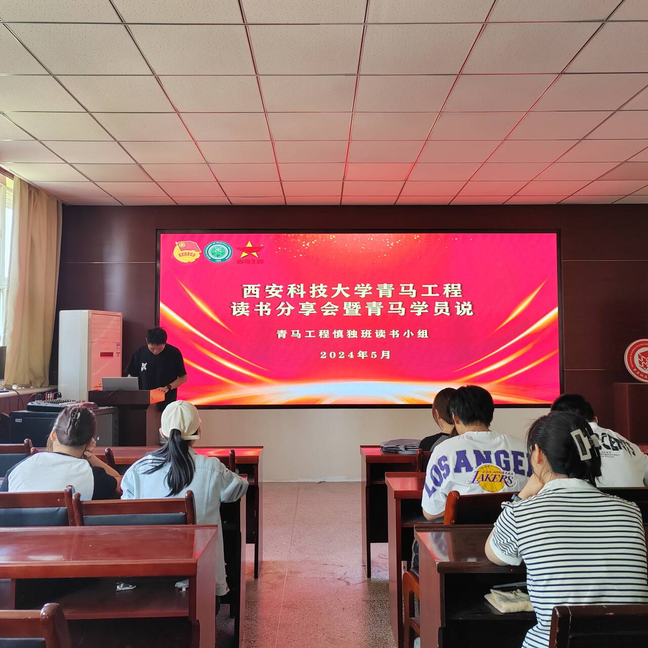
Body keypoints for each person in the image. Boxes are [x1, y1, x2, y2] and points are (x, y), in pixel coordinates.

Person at [486, 411, 648, 648]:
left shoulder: (521, 513)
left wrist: (523, 494)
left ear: (537, 454)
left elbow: (494, 553)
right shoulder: (630, 511)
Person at [120, 400, 248, 597]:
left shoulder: (139, 470)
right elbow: (239, 488)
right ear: (198, 432)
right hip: (198, 579)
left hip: (148, 576)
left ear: (162, 432)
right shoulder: (211, 468)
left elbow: (127, 510)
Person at [421, 385, 530, 520]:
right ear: (491, 415)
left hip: (461, 533)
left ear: (455, 418)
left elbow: (430, 512)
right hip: (514, 531)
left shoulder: (443, 450)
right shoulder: (523, 448)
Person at [0, 406, 120, 500]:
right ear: (89, 443)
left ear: (53, 435)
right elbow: (119, 482)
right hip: (70, 526)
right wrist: (90, 456)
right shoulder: (93, 477)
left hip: (16, 526)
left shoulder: (18, 470)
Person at [551, 393, 648, 487]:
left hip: (589, 497)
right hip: (635, 498)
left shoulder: (561, 446)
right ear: (595, 419)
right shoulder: (631, 446)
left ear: (557, 425)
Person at [127, 327, 188, 405]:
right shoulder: (140, 352)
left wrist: (168, 387)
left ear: (165, 342)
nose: (156, 351)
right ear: (147, 341)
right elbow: (132, 375)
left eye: (160, 348)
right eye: (152, 348)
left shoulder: (174, 353)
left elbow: (183, 377)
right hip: (144, 399)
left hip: (167, 399)